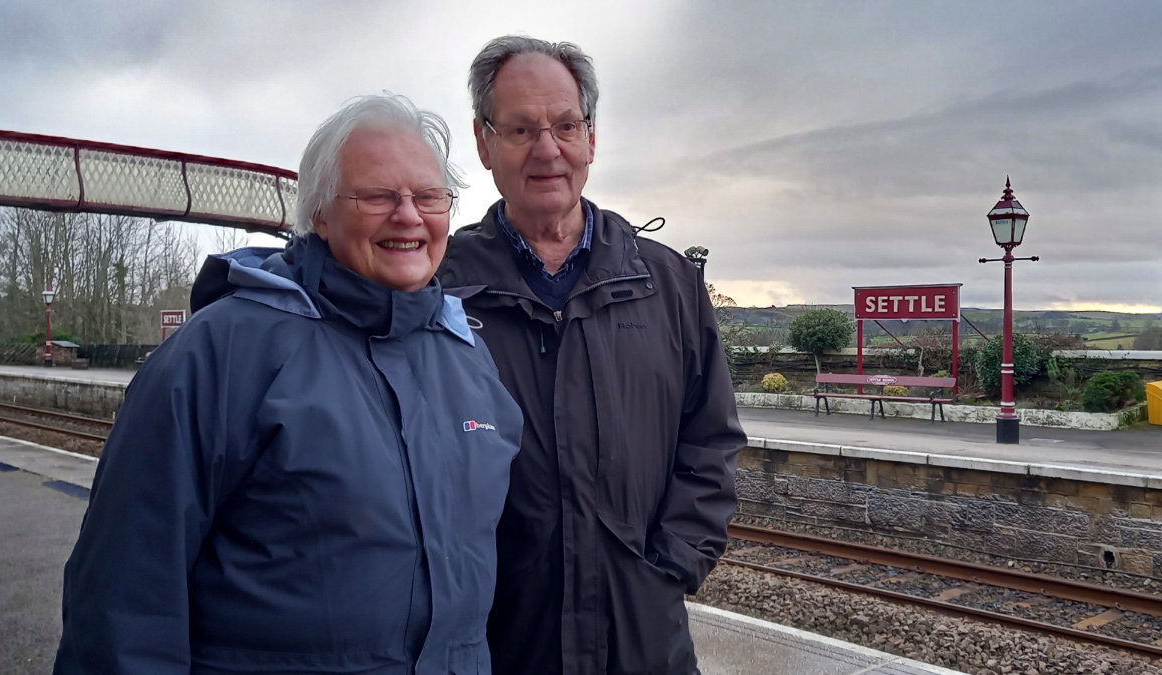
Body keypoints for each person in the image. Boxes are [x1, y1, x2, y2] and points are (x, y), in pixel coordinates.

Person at [53, 94, 522, 674]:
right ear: (320, 214)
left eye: (429, 196)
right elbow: (124, 597)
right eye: (377, 195)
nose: (409, 215)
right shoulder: (219, 354)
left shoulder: (468, 358)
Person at [437, 36, 746, 675]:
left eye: (566, 126)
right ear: (483, 142)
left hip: (642, 641)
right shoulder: (436, 289)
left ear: (592, 137)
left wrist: (670, 566)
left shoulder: (668, 286)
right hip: (495, 642)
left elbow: (710, 440)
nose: (547, 150)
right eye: (521, 129)